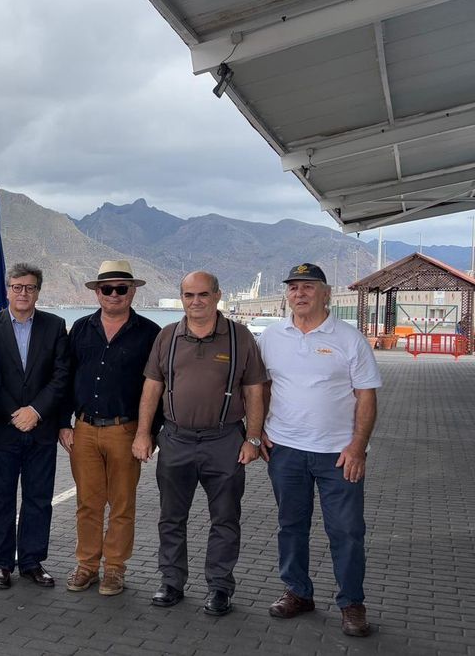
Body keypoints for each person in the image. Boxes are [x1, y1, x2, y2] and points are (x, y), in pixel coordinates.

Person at [132, 271, 267, 617]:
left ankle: (219, 587)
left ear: (218, 296)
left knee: (225, 518)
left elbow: (255, 390)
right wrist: (143, 433)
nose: (196, 302)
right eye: (189, 295)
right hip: (176, 439)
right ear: (181, 298)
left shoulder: (239, 337)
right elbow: (152, 388)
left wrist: (253, 437)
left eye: (203, 295)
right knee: (171, 517)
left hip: (224, 440)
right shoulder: (167, 337)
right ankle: (171, 582)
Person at [259, 263, 381, 637]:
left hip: (337, 454)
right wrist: (257, 430)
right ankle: (298, 592)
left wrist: (358, 445)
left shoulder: (348, 338)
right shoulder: (270, 337)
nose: (300, 293)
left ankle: (351, 604)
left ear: (326, 293)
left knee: (346, 531)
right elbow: (260, 387)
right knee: (291, 526)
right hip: (286, 451)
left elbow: (366, 395)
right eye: (293, 287)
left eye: (308, 287)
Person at [59, 260, 160, 596]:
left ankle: (114, 569)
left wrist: (149, 433)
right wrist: (63, 423)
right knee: (88, 503)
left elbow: (158, 386)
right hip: (84, 429)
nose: (114, 294)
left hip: (125, 430)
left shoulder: (149, 333)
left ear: (132, 292)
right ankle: (87, 565)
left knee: (121, 503)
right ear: (97, 293)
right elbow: (64, 378)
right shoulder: (80, 329)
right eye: (107, 289)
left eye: (121, 288)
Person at [0, 263, 69, 590]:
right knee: (0, 498)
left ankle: (31, 561)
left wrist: (36, 411)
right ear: (7, 290)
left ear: (38, 291)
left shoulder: (56, 326)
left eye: (29, 287)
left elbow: (61, 377)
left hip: (41, 431)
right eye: (17, 287)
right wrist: (15, 412)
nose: (23, 293)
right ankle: (2, 562)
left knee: (38, 498)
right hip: (2, 428)